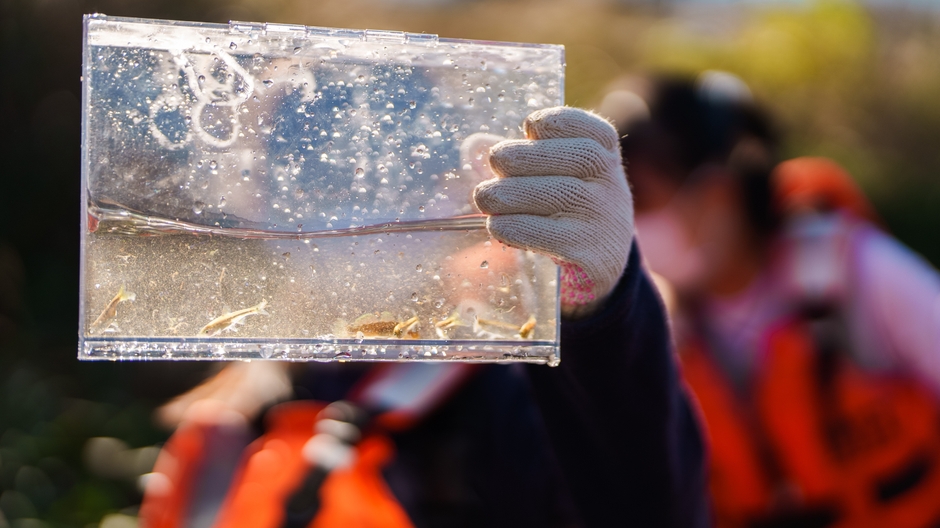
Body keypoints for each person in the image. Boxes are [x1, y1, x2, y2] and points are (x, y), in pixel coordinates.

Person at [138, 107, 711, 528]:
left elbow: (651, 507)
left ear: (451, 192)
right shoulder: (227, 426)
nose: (350, 211)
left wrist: (605, 316)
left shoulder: (506, 384)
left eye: (392, 174)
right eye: (312, 179)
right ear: (257, 203)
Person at [617, 72, 940, 528]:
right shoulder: (650, 329)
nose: (632, 228)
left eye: (643, 202)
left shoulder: (863, 274)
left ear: (719, 191)